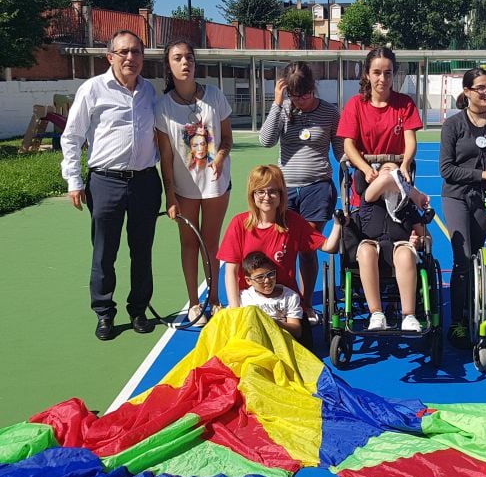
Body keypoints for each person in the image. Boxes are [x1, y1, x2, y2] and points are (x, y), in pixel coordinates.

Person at [60, 29, 161, 341]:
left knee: (142, 250)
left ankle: (139, 309)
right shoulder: (92, 90)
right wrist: (74, 181)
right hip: (105, 182)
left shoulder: (150, 92)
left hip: (145, 182)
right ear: (110, 57)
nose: (130, 57)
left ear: (143, 57)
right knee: (105, 252)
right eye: (123, 52)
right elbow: (72, 137)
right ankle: (104, 313)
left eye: (136, 52)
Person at [156, 39, 233, 327]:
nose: (185, 62)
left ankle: (214, 299)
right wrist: (170, 197)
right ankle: (194, 303)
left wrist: (221, 157)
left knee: (210, 244)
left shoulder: (214, 96)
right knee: (189, 244)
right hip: (183, 190)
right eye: (178, 58)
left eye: (189, 57)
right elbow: (165, 158)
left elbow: (226, 139)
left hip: (216, 185)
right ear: (169, 65)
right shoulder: (162, 107)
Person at [259, 62, 343, 324]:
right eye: (295, 95)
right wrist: (277, 102)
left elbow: (340, 151)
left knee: (307, 248)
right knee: (282, 248)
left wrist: (356, 166)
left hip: (317, 189)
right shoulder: (284, 109)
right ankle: (283, 302)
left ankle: (305, 306)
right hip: (284, 192)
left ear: (313, 89)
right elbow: (266, 140)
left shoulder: (330, 112)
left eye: (304, 95)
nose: (300, 100)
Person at [439, 67, 486, 348]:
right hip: (457, 197)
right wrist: (480, 175)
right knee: (462, 259)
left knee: (480, 259)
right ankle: (458, 321)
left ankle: (482, 309)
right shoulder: (453, 125)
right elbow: (446, 169)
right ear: (467, 92)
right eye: (480, 87)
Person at [218, 165, 342, 316]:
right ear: (252, 194)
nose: (267, 196)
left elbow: (329, 246)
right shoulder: (239, 223)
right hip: (250, 302)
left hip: (284, 303)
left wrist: (338, 224)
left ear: (281, 194)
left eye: (272, 191)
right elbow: (231, 271)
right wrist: (235, 309)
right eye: (260, 191)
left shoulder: (293, 222)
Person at [347, 162, 430, 331]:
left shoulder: (408, 206)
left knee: (406, 253)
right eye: (386, 168)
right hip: (373, 245)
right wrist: (413, 191)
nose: (391, 172)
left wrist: (419, 241)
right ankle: (376, 313)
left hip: (399, 247)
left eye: (395, 169)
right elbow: (385, 179)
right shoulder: (369, 198)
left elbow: (427, 238)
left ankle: (409, 315)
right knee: (365, 250)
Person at [337, 47, 423, 192]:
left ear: (393, 74)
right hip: (366, 180)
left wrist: (405, 164)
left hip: (395, 177)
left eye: (387, 73)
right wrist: (365, 169)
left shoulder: (405, 104)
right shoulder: (355, 104)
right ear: (367, 74)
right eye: (377, 73)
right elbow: (348, 145)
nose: (382, 79)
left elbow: (410, 141)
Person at [240, 251, 303, 340]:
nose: (267, 280)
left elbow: (297, 331)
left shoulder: (290, 296)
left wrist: (272, 322)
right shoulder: (244, 297)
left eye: (270, 274)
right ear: (248, 280)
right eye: (260, 277)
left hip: (280, 341)